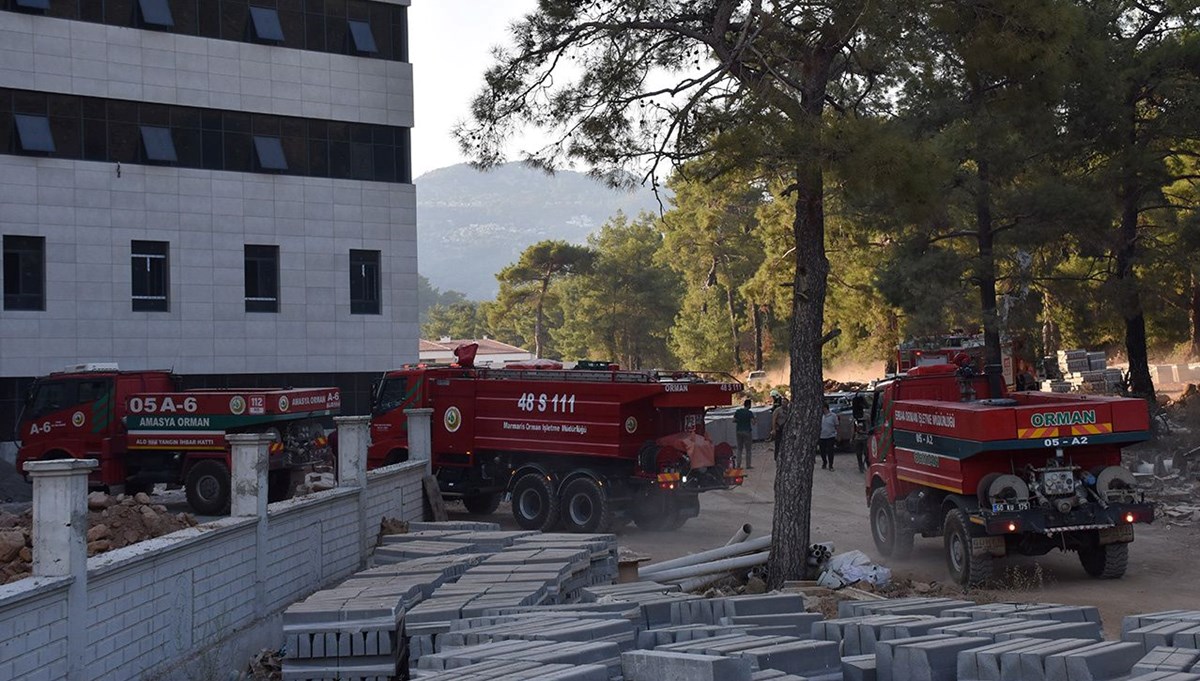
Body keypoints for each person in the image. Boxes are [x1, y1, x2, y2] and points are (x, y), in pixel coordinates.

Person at [733, 398, 756, 469]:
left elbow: (734, 420)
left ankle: (738, 465)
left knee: (739, 449)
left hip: (739, 431)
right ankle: (748, 465)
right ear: (749, 405)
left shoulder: (738, 411)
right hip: (747, 431)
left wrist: (740, 421)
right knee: (748, 449)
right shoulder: (749, 413)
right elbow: (753, 422)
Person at [771, 390, 789, 461]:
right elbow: (773, 420)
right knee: (778, 444)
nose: (783, 403)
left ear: (787, 403)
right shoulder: (778, 410)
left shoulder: (789, 410)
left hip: (787, 429)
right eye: (782, 402)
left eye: (785, 402)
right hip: (779, 428)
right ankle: (777, 457)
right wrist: (774, 429)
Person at [819, 403, 838, 470]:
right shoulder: (820, 416)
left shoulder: (833, 416)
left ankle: (831, 465)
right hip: (822, 436)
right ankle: (824, 462)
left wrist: (837, 434)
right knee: (822, 451)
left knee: (830, 451)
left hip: (830, 436)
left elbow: (836, 425)